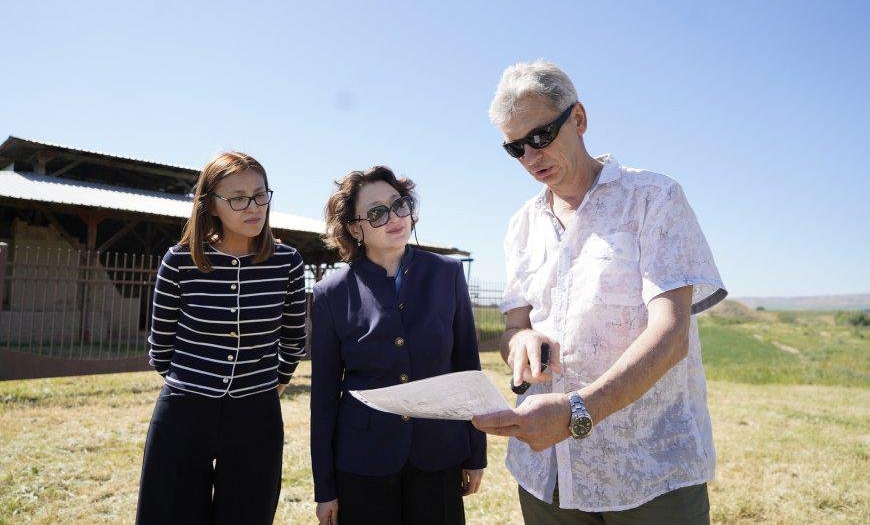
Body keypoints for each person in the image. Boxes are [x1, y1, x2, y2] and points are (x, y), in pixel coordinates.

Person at [472, 60, 727, 524]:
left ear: (579, 118)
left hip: (647, 471)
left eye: (540, 136)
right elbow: (513, 327)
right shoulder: (522, 225)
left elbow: (671, 335)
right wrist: (521, 341)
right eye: (515, 148)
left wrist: (576, 412)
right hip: (545, 475)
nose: (530, 157)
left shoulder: (653, 199)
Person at [136, 152, 307, 524]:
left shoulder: (288, 263)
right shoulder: (179, 261)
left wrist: (269, 386)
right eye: (238, 199)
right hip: (184, 414)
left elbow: (294, 340)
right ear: (210, 205)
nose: (254, 207)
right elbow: (160, 347)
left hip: (257, 416)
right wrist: (194, 386)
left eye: (260, 195)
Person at [310, 166, 487, 525]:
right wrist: (324, 487)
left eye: (399, 204)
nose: (394, 217)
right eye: (377, 212)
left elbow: (468, 368)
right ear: (355, 228)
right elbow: (324, 397)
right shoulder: (330, 293)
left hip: (439, 451)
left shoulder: (448, 274)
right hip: (363, 459)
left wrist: (475, 454)